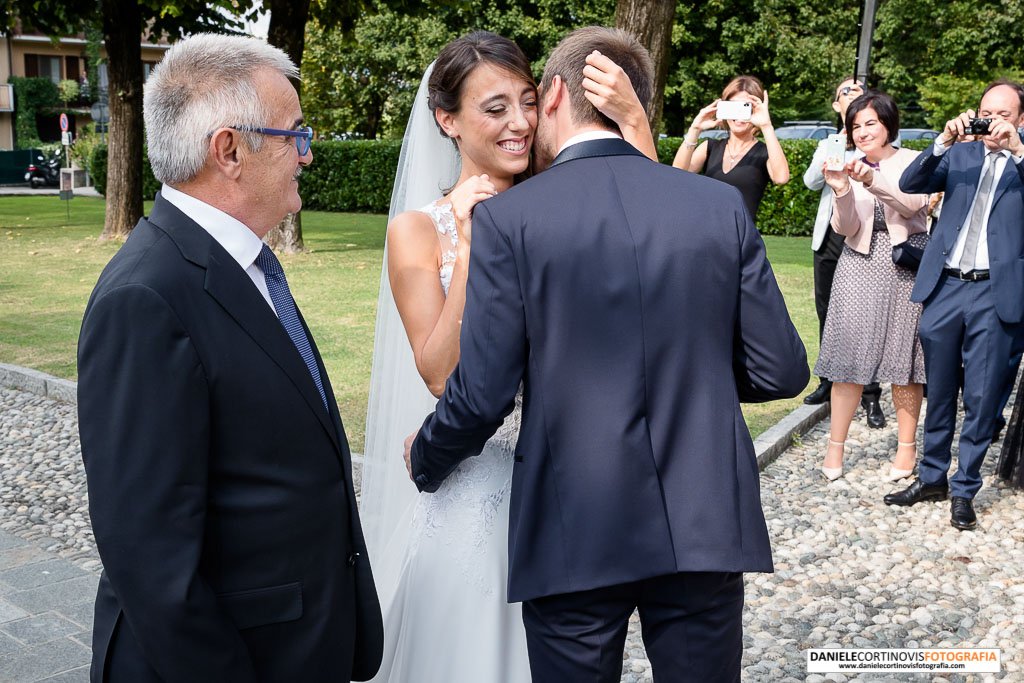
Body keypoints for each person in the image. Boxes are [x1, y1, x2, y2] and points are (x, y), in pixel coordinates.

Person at [405, 26, 808, 681]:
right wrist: (696, 367)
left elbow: (482, 392)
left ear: (556, 93)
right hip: (703, 521)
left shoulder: (513, 220)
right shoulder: (718, 207)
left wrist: (426, 455)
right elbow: (781, 368)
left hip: (574, 525)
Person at [76, 34, 382, 681]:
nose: (307, 152)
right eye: (294, 133)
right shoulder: (147, 299)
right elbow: (152, 561)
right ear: (230, 150)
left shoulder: (245, 264)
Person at [361, 31, 656, 683]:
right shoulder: (418, 231)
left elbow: (653, 237)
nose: (521, 122)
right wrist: (470, 249)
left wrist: (635, 121)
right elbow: (440, 373)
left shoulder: (570, 202)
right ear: (448, 120)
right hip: (478, 493)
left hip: (572, 491)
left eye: (528, 101)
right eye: (495, 109)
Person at [889, 79, 1024, 530]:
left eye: (1004, 113)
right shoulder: (961, 155)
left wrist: (1018, 149)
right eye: (988, 111)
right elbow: (911, 182)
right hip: (946, 287)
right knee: (939, 389)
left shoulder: (1022, 163)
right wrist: (943, 141)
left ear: (1020, 119)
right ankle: (931, 477)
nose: (994, 121)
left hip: (995, 292)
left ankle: (965, 487)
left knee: (983, 397)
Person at [812, 91, 929, 482]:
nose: (861, 132)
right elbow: (846, 228)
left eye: (869, 123)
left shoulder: (914, 160)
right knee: (849, 360)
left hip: (906, 263)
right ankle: (835, 448)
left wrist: (872, 180)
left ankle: (906, 450)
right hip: (858, 265)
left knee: (906, 363)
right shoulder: (846, 164)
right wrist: (842, 190)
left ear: (888, 124)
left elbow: (913, 205)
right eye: (855, 125)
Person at [802, 77, 886, 430]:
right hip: (829, 237)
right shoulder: (829, 143)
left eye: (859, 91)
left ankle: (870, 394)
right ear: (837, 105)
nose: (853, 95)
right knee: (826, 310)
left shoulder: (876, 142)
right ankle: (827, 380)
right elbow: (810, 182)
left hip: (863, 238)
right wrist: (830, 151)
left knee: (865, 316)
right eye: (845, 93)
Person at [672, 75, 790, 219]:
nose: (739, 115)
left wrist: (766, 126)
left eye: (747, 107)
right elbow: (676, 175)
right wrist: (695, 129)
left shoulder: (763, 153)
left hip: (741, 238)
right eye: (733, 106)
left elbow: (781, 178)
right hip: (705, 235)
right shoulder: (709, 147)